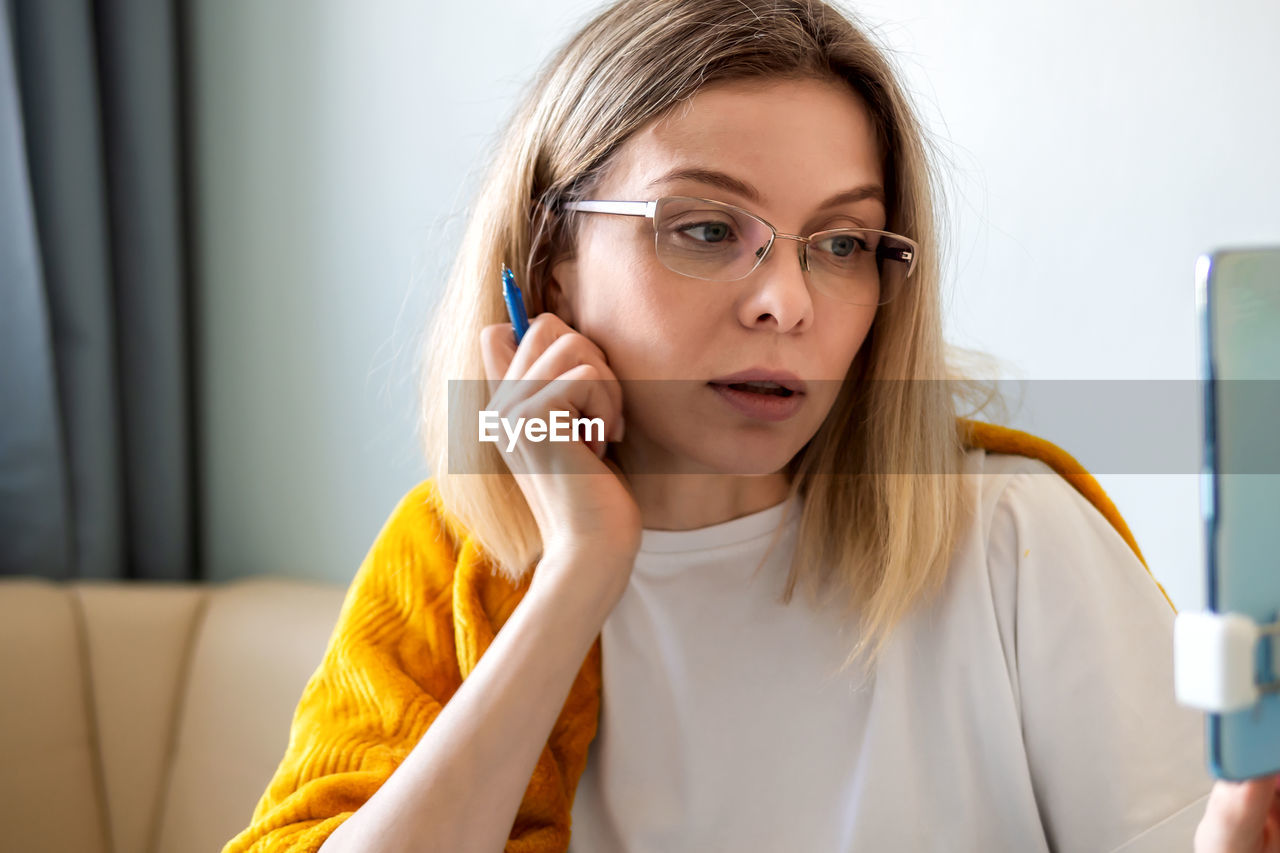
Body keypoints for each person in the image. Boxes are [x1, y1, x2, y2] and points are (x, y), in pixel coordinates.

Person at [222, 0, 1270, 850]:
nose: (786, 302)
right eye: (708, 228)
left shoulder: (1009, 537)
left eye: (842, 242)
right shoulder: (455, 562)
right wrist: (581, 568)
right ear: (549, 259)